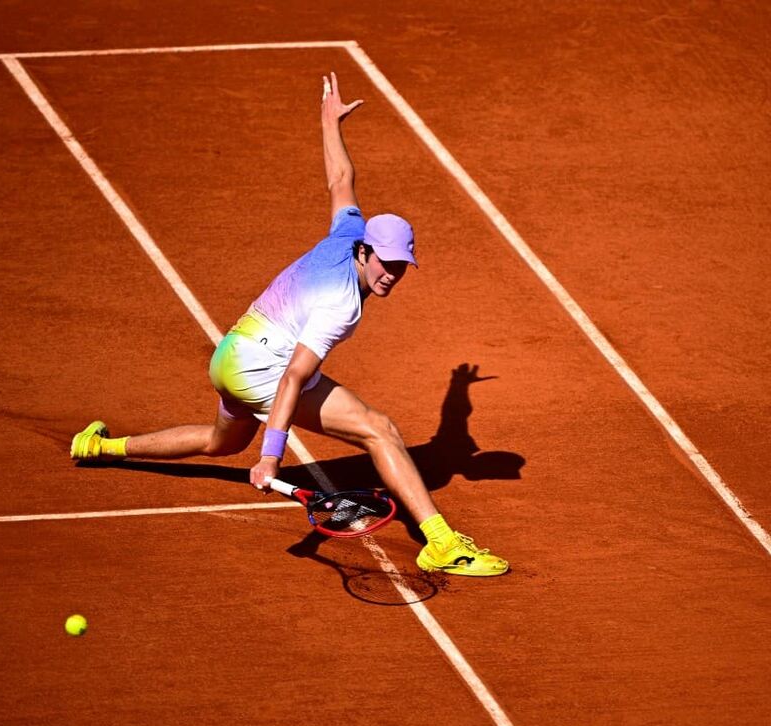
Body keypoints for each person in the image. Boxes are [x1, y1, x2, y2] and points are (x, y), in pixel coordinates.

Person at [70, 72, 508, 577]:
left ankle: (100, 446)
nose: (392, 274)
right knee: (380, 430)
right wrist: (272, 458)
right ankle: (441, 543)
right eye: (385, 263)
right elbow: (294, 377)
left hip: (230, 355)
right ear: (365, 252)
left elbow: (341, 180)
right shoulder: (340, 302)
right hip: (265, 367)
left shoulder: (348, 233)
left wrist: (329, 121)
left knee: (221, 444)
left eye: (401, 266)